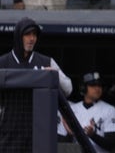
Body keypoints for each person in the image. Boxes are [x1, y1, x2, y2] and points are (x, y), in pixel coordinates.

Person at [0, 17, 73, 150]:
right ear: (18, 36)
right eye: (27, 34)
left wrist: (53, 74)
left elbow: (68, 88)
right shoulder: (3, 62)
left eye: (34, 34)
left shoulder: (46, 61)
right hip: (10, 129)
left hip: (38, 129)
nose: (32, 38)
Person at [63, 72, 115, 152]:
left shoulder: (110, 110)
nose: (97, 88)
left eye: (99, 85)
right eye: (93, 85)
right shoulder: (72, 109)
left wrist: (92, 135)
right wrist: (70, 133)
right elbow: (62, 142)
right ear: (84, 88)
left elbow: (111, 144)